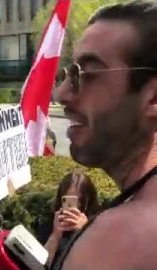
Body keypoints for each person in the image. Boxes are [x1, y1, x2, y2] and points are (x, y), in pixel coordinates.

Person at [52, 2, 157, 269]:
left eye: (86, 74)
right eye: (67, 74)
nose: (61, 94)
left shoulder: (120, 240)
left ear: (153, 97)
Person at [45, 172, 99, 266]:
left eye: (80, 200)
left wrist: (86, 231)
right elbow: (40, 265)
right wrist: (55, 236)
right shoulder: (52, 221)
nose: (75, 206)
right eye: (69, 199)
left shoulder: (99, 222)